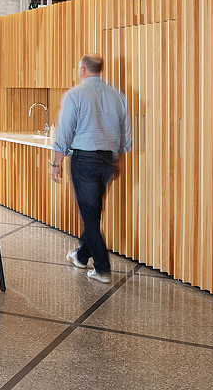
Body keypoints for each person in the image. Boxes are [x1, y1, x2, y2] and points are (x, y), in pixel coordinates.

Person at [50, 54, 132, 283]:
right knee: (92, 212)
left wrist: (55, 163)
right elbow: (125, 132)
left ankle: (103, 267)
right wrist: (119, 161)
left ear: (83, 70)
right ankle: (81, 255)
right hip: (108, 159)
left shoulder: (75, 95)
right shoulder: (117, 95)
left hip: (84, 160)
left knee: (90, 216)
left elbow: (64, 132)